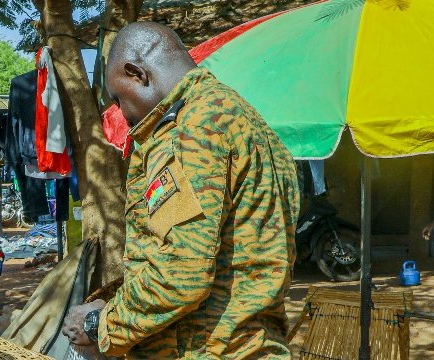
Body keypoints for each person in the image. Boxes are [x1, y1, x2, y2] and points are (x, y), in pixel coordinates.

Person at [62, 22, 300, 358]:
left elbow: (180, 274)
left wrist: (100, 324)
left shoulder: (188, 131)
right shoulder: (243, 119)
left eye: (118, 98)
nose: (121, 113)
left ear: (137, 74)